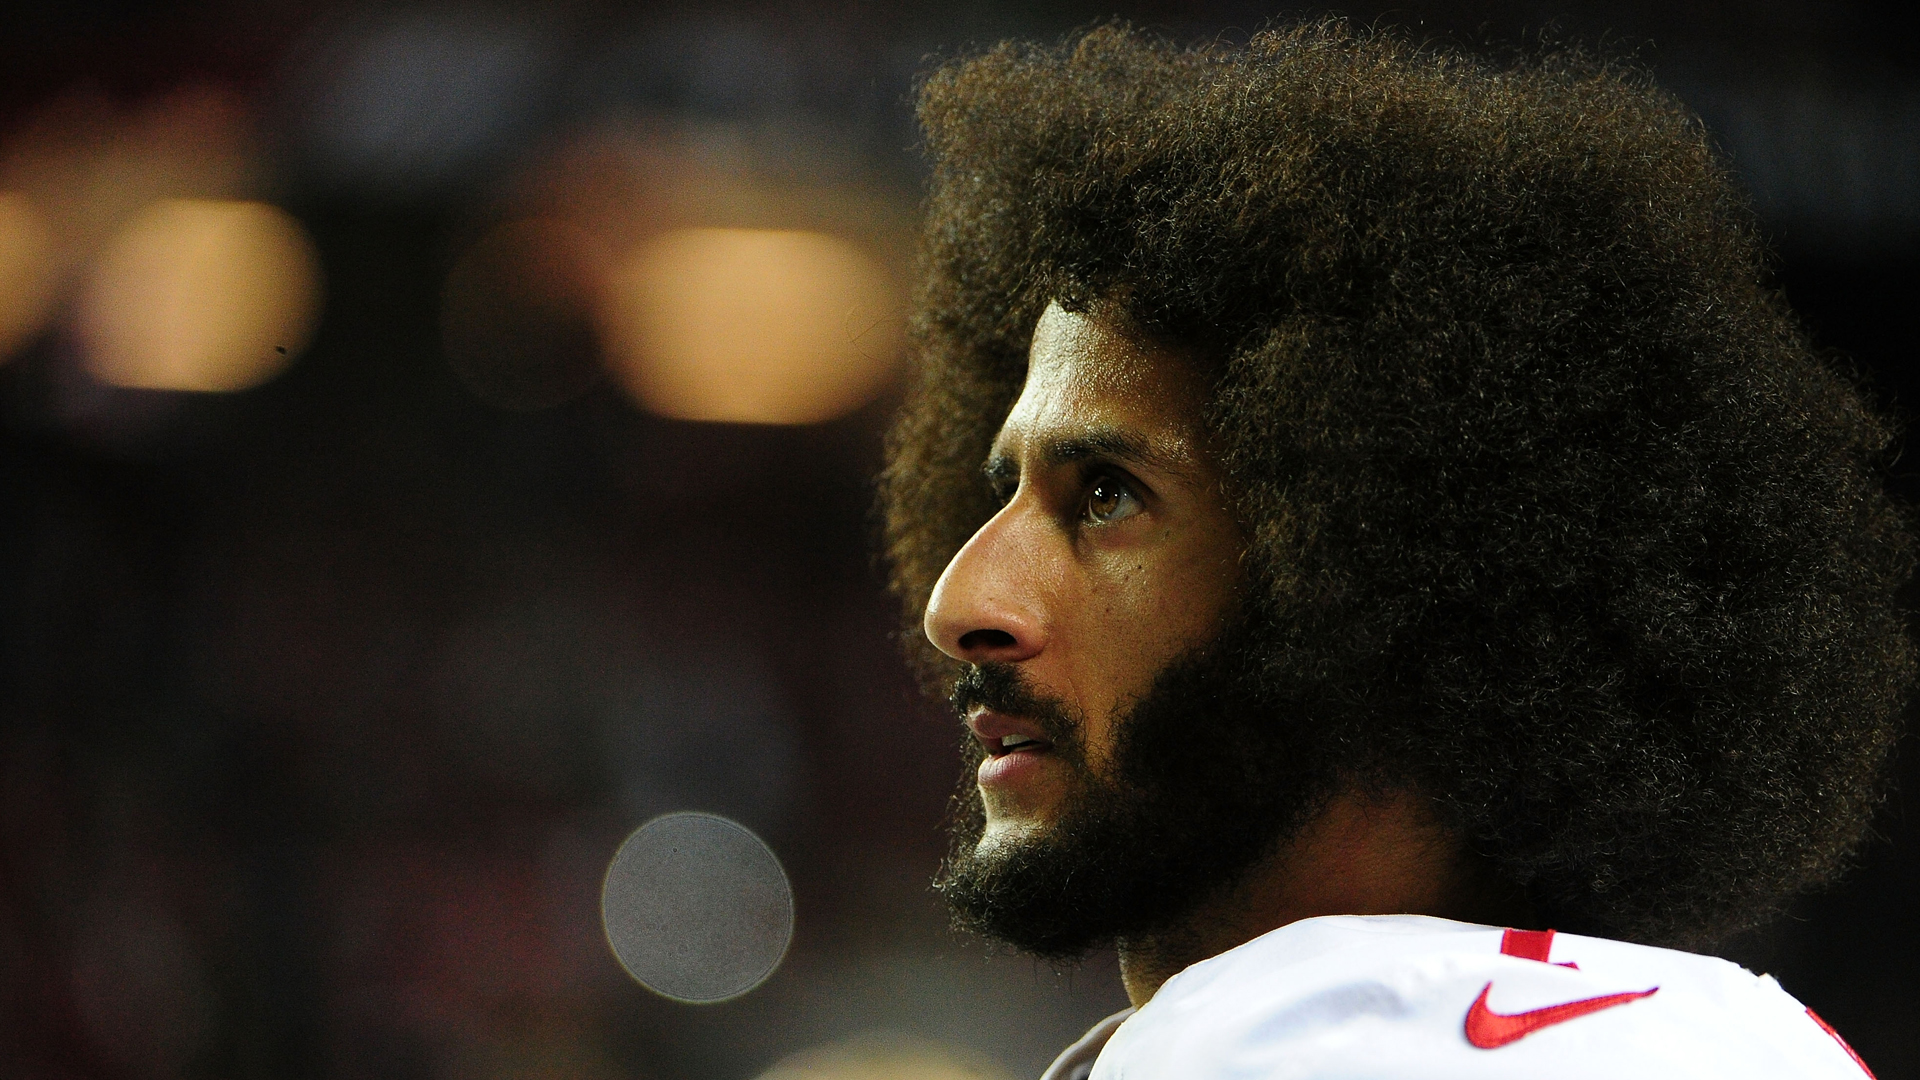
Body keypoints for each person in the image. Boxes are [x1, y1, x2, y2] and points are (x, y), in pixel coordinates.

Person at [877, 20, 1915, 1080]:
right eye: (1001, 490)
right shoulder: (1766, 1041)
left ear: (1391, 583)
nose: (960, 600)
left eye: (1107, 494)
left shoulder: (1275, 1048)